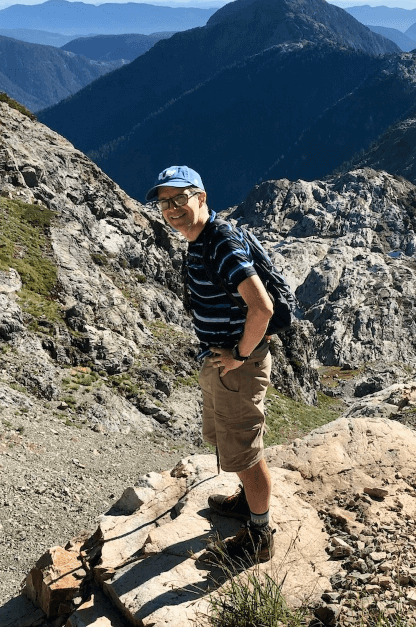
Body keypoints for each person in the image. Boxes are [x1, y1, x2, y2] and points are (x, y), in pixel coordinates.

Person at [146, 165, 275, 564]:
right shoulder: (203, 237)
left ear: (201, 197)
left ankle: (259, 535)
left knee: (244, 451)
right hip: (223, 363)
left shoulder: (219, 242)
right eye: (165, 203)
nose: (171, 209)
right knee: (232, 442)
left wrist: (238, 356)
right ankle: (246, 504)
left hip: (238, 365)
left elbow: (262, 307)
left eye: (180, 199)